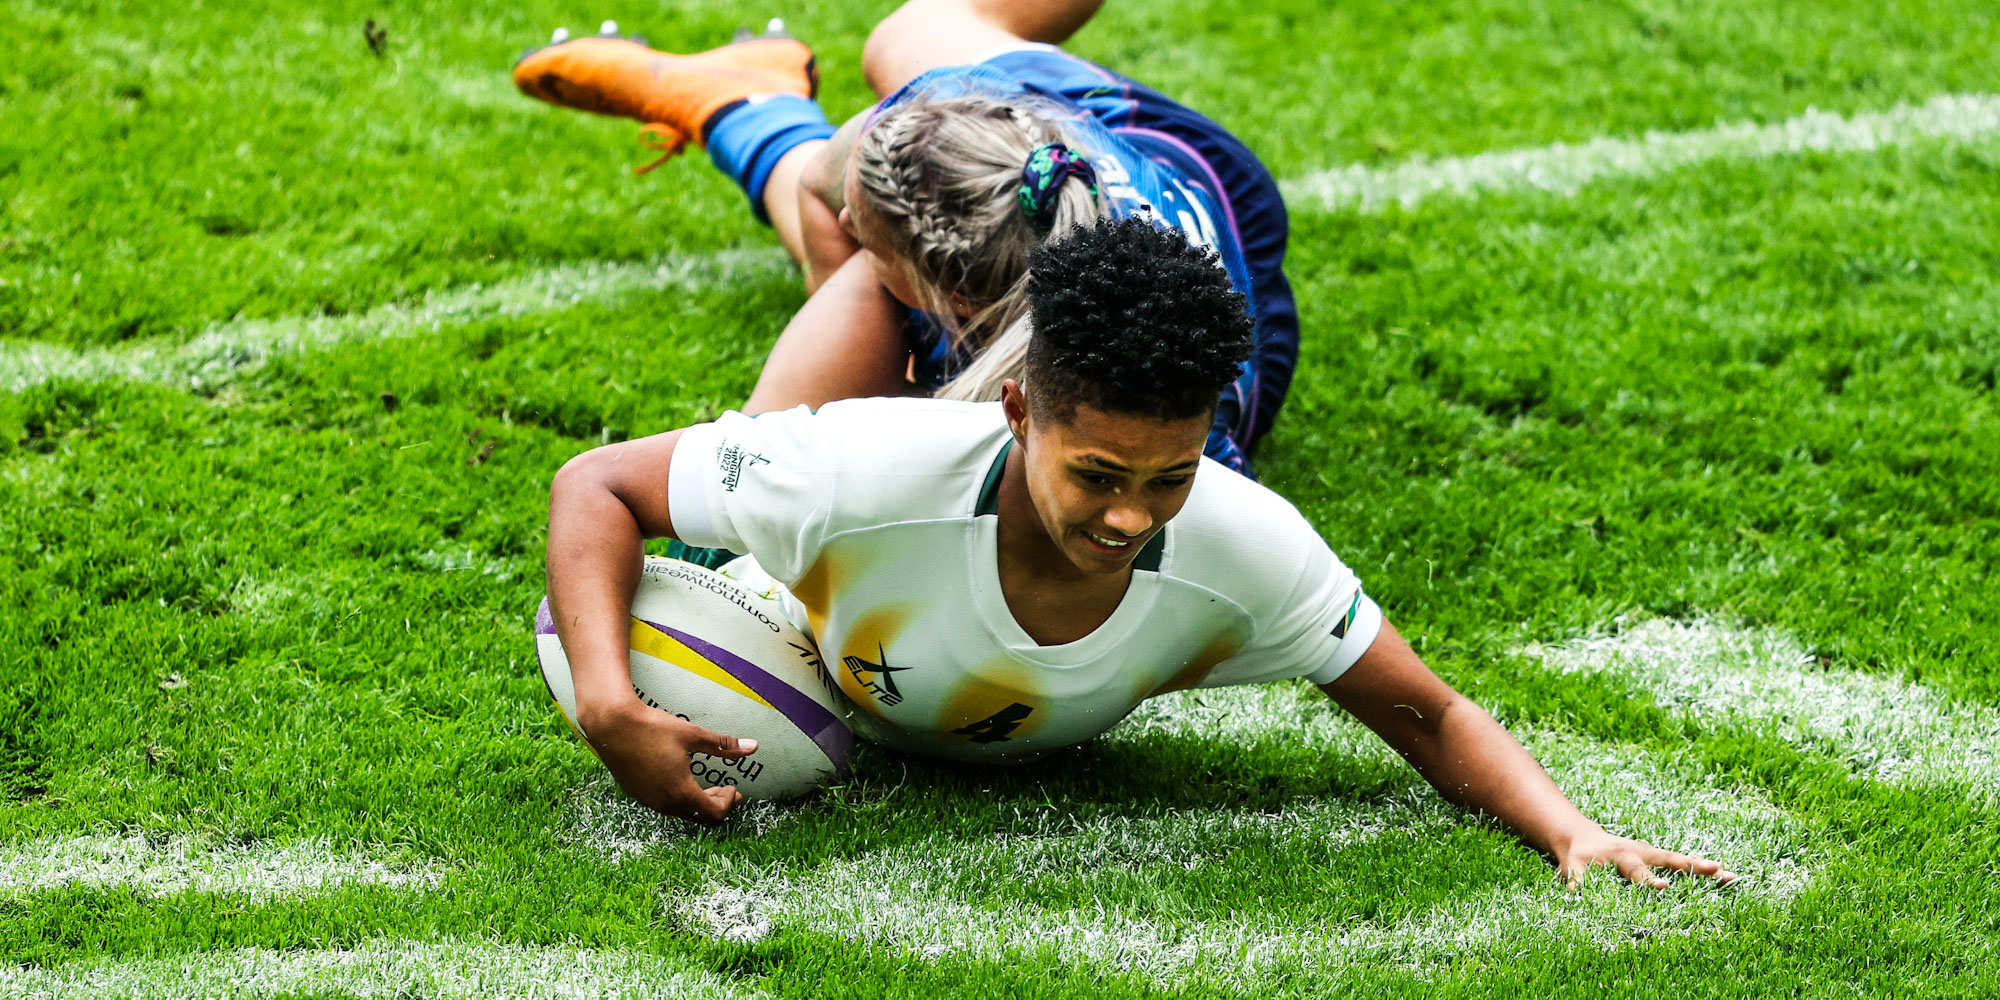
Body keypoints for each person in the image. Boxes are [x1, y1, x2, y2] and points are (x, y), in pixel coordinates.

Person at [543, 218, 1738, 890]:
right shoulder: (855, 473)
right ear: (1015, 414)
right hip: (808, 582)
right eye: (1097, 476)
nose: (1129, 516)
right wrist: (607, 701)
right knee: (864, 254)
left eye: (1166, 476)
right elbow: (595, 485)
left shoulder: (1240, 545)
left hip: (1184, 209)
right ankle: (782, 135)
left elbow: (1422, 712)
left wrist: (1569, 828)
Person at [513, 0, 1296, 475]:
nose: (849, 227)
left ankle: (746, 104)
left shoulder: (1126, 390)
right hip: (1116, 143)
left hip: (1207, 226)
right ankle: (749, 98)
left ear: (947, 299)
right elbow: (835, 181)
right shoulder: (953, 123)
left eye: (866, 233)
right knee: (909, 36)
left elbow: (1213, 506)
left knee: (857, 289)